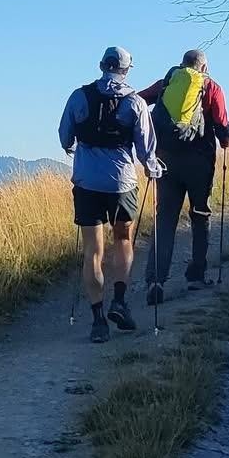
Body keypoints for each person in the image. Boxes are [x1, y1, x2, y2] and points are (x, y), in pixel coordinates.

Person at [58, 45, 159, 342]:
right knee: (123, 240)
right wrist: (153, 168)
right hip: (122, 184)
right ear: (127, 69)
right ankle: (120, 301)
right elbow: (146, 149)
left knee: (93, 251)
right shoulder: (136, 103)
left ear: (102, 65)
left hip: (86, 182)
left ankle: (98, 320)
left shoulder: (79, 96)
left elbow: (65, 135)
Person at [139, 49, 229, 303]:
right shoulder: (211, 87)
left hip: (166, 161)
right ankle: (196, 277)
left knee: (166, 218)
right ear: (204, 67)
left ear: (181, 65)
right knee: (200, 215)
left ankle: (155, 280)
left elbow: (138, 102)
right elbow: (223, 128)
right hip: (200, 163)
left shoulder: (166, 83)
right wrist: (225, 140)